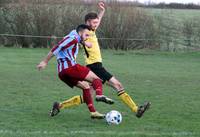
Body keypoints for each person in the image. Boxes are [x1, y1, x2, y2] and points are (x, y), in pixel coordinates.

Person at [37, 24, 113, 119]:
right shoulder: (72, 38)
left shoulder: (74, 36)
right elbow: (57, 47)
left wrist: (85, 43)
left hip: (62, 73)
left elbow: (78, 38)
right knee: (97, 79)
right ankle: (99, 95)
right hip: (70, 68)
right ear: (80, 32)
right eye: (86, 35)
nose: (87, 37)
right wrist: (45, 61)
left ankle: (93, 112)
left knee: (85, 87)